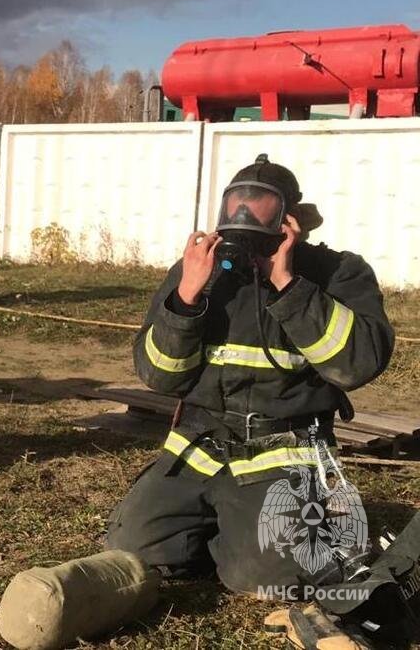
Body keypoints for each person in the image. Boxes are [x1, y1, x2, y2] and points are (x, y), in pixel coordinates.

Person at [105, 154, 395, 599]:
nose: (243, 216)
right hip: (199, 449)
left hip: (282, 454)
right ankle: (224, 528)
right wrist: (186, 296)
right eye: (236, 204)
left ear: (290, 220)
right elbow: (159, 376)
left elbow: (355, 365)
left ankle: (297, 530)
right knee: (131, 550)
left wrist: (287, 283)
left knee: (267, 579)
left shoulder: (336, 273)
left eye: (258, 206)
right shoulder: (198, 274)